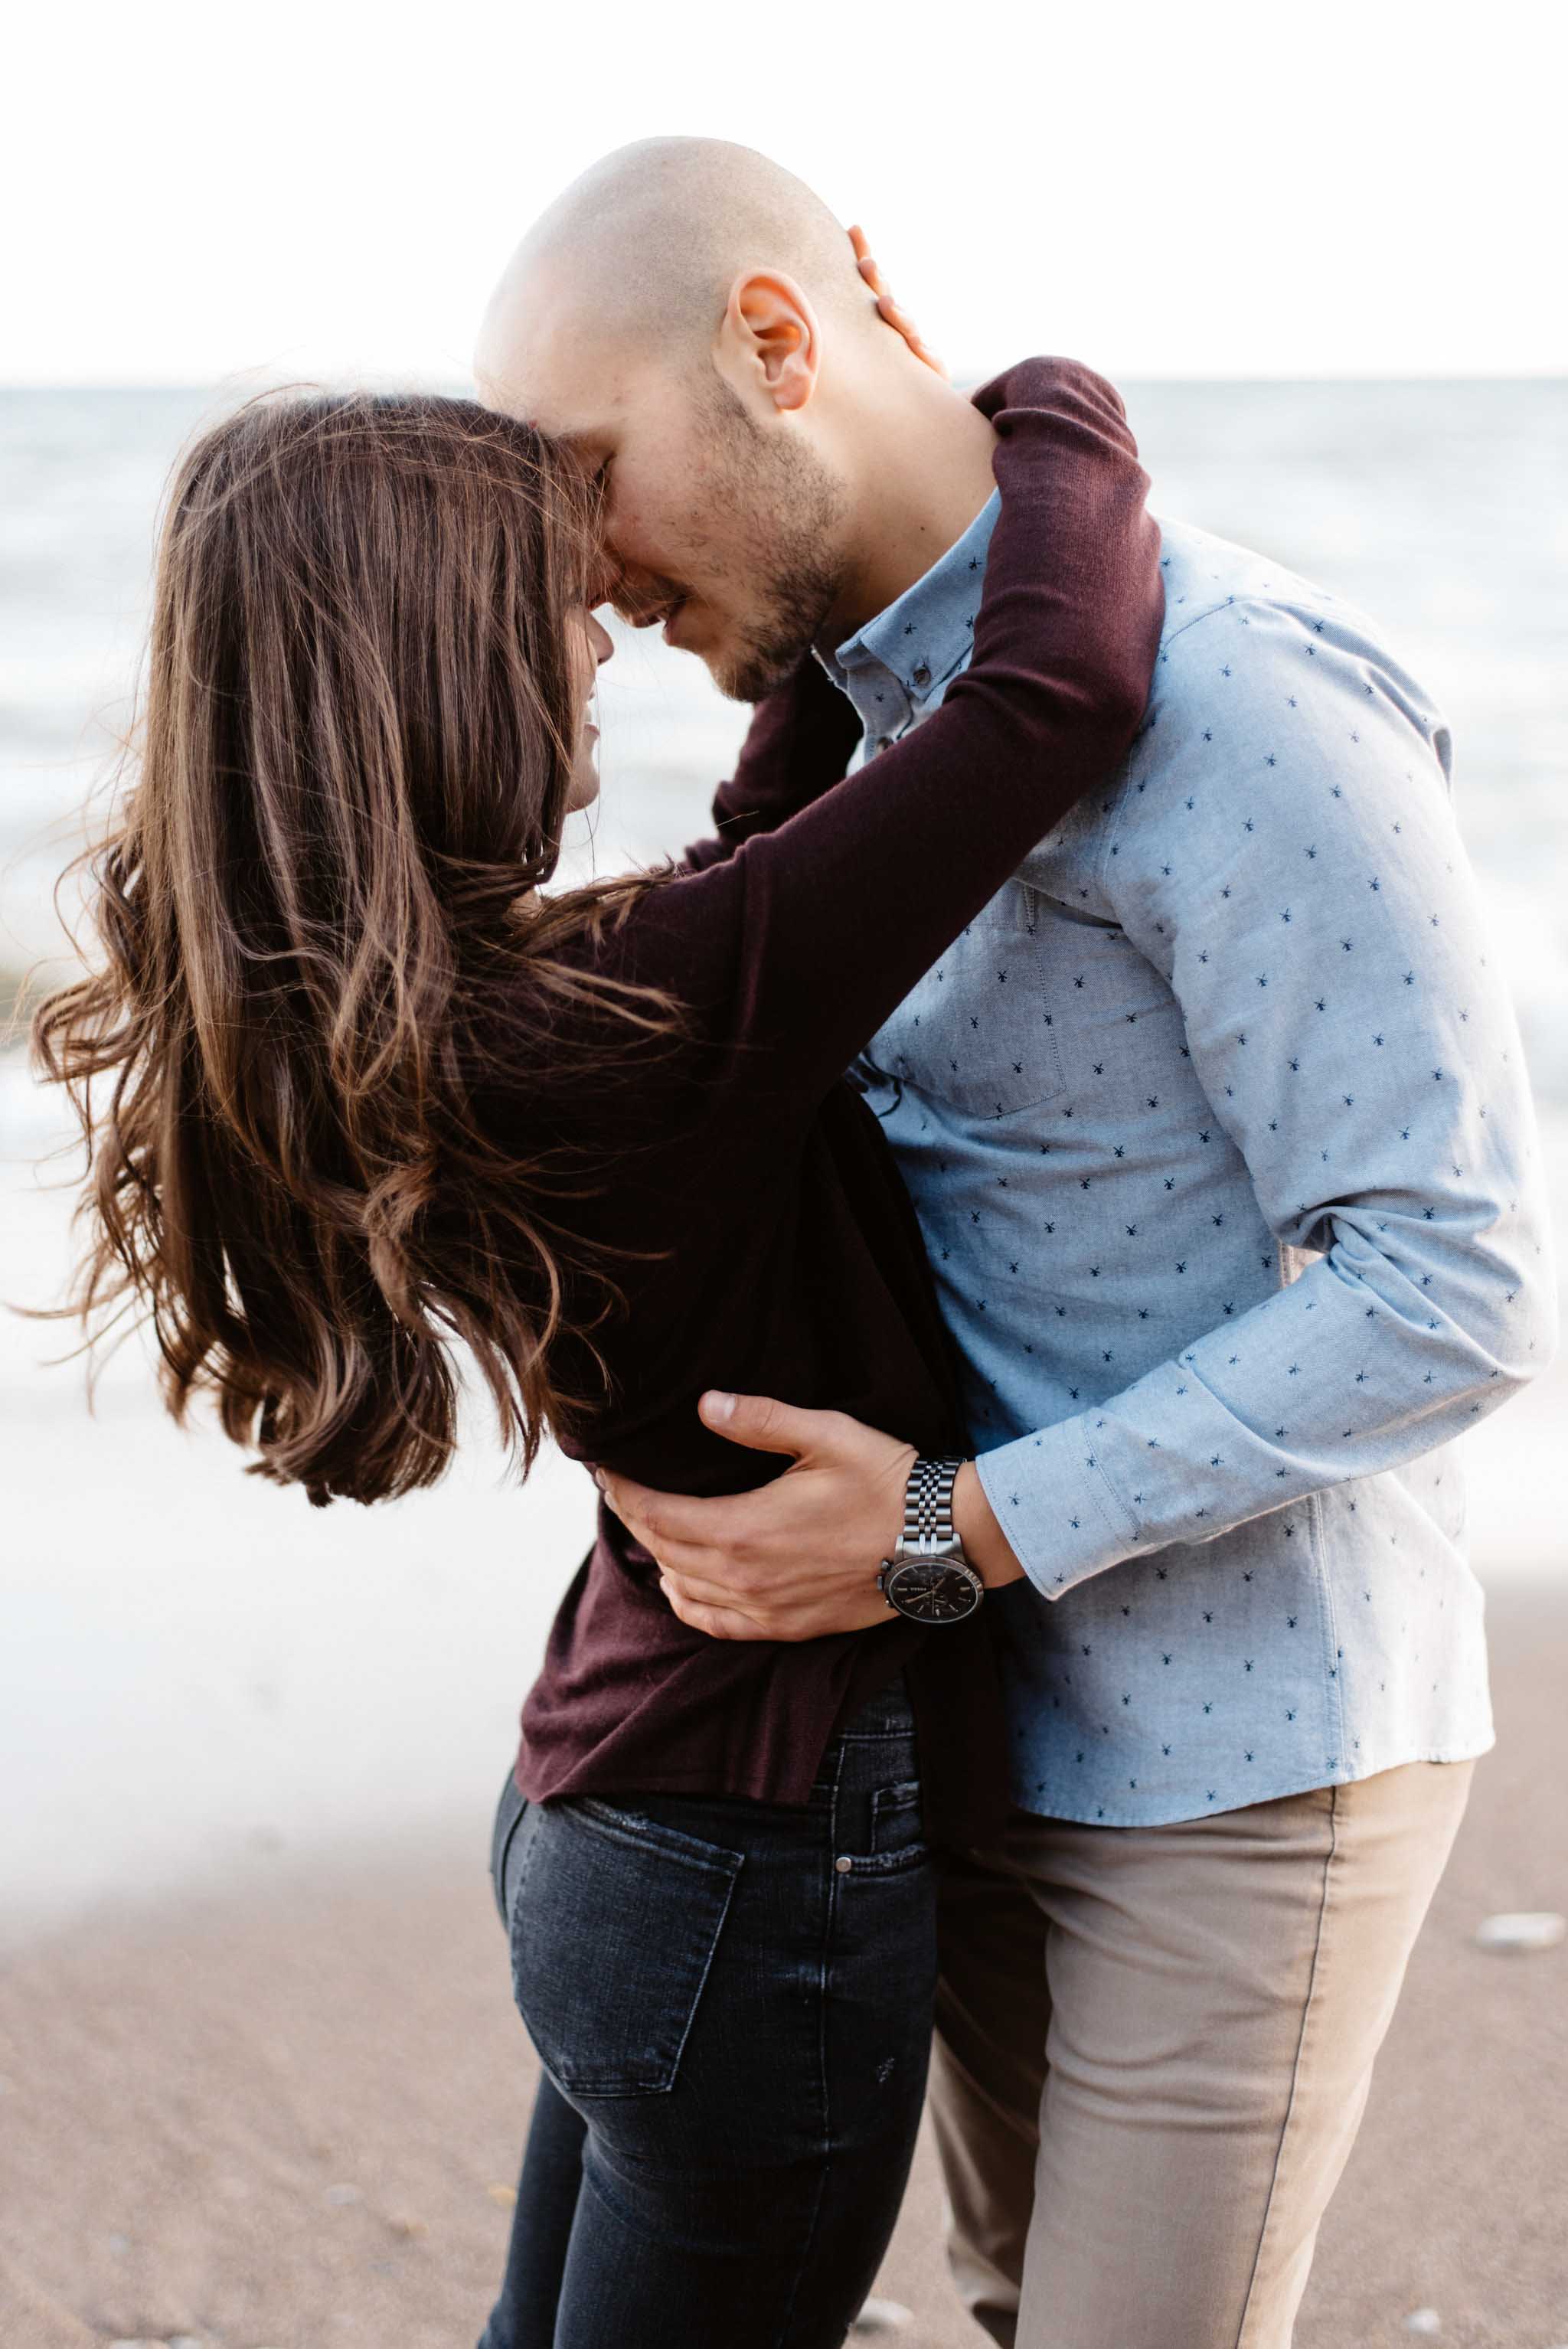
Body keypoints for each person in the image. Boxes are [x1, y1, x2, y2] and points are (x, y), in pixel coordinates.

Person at [479, 138, 1558, 2348]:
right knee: (1005, 2301)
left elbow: (1454, 1285)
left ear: (779, 344)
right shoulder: (853, 744)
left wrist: (956, 1526)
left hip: (1237, 1744)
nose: (576, 581)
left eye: (591, 476)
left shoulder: (1251, 703)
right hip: (954, 1715)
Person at [33, 324, 1162, 2339]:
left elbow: (755, 866)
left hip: (621, 1822)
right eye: (567, 617)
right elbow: (1055, 693)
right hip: (744, 1864)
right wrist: (1041, 402)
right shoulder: (631, 1019)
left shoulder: (471, 1014)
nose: (603, 653)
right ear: (442, 672)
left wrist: (805, 617)